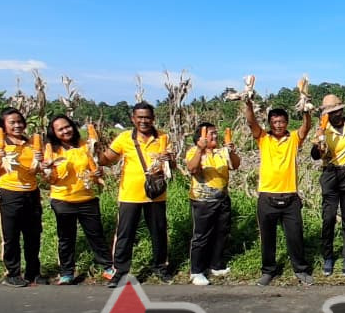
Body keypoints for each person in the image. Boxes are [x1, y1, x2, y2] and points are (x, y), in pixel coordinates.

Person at [99, 102, 175, 287]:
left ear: (153, 119)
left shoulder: (163, 137)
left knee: (158, 232)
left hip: (155, 194)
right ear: (133, 119)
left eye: (147, 117)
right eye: (139, 117)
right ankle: (120, 271)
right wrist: (96, 149)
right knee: (125, 235)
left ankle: (160, 267)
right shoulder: (124, 138)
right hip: (129, 194)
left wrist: (169, 160)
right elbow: (106, 160)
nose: (144, 121)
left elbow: (172, 167)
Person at [245, 95, 315, 286]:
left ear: (287, 123)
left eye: (282, 121)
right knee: (267, 238)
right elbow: (251, 122)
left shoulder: (293, 139)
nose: (278, 125)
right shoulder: (263, 138)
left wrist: (306, 110)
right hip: (267, 197)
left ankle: (300, 270)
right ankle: (268, 270)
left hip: (290, 196)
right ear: (269, 123)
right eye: (274, 122)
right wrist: (248, 102)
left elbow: (306, 127)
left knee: (295, 236)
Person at [40, 114, 112, 285]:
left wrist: (98, 174)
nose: (66, 131)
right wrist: (46, 170)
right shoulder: (52, 151)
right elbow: (49, 180)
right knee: (66, 237)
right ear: (54, 133)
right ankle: (67, 272)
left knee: (96, 235)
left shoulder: (85, 146)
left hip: (87, 198)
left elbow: (94, 168)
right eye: (60, 129)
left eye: (68, 126)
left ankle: (108, 268)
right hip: (63, 199)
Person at [0, 107, 43, 287]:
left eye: (20, 121)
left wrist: (40, 162)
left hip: (31, 193)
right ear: (4, 126)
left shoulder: (31, 143)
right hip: (8, 193)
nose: (17, 125)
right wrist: (0, 159)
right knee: (11, 236)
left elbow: (34, 172)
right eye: (12, 123)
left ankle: (33, 272)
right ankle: (12, 273)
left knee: (33, 235)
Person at [184, 122, 240, 286]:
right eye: (211, 134)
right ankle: (196, 271)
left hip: (222, 198)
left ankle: (215, 265)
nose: (216, 136)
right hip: (203, 201)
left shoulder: (221, 152)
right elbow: (193, 169)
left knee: (221, 232)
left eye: (216, 133)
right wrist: (201, 149)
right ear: (201, 137)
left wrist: (231, 151)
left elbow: (235, 165)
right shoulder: (194, 151)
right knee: (202, 235)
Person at [310, 94, 345, 276]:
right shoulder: (323, 129)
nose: (335, 115)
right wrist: (319, 139)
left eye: (337, 111)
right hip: (329, 172)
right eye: (331, 112)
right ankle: (328, 256)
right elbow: (315, 156)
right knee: (328, 217)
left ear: (342, 110)